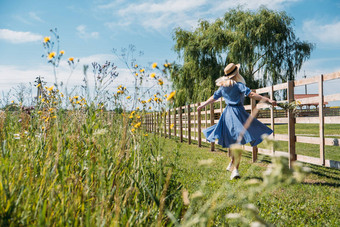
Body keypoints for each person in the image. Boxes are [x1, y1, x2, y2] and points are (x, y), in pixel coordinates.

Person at [197, 63, 277, 180]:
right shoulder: (238, 85)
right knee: (238, 142)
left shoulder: (222, 87)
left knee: (235, 140)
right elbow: (252, 94)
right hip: (238, 114)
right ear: (237, 73)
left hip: (227, 114)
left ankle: (233, 163)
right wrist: (268, 99)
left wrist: (202, 106)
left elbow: (213, 98)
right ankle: (235, 170)